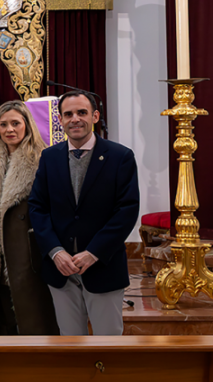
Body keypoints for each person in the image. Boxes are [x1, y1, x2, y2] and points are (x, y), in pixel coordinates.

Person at [29, 90, 139, 336]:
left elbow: (127, 210)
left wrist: (94, 252)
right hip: (61, 270)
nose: (75, 119)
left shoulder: (120, 157)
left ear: (95, 116)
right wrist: (55, 252)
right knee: (71, 347)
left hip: (103, 267)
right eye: (68, 114)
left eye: (82, 112)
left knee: (108, 345)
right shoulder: (49, 157)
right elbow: (37, 207)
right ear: (60, 119)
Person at [0, 101, 59, 336]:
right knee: (1, 317)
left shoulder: (44, 159)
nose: (9, 129)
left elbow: (54, 210)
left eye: (15, 123)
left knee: (34, 316)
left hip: (29, 253)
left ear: (27, 125)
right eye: (3, 124)